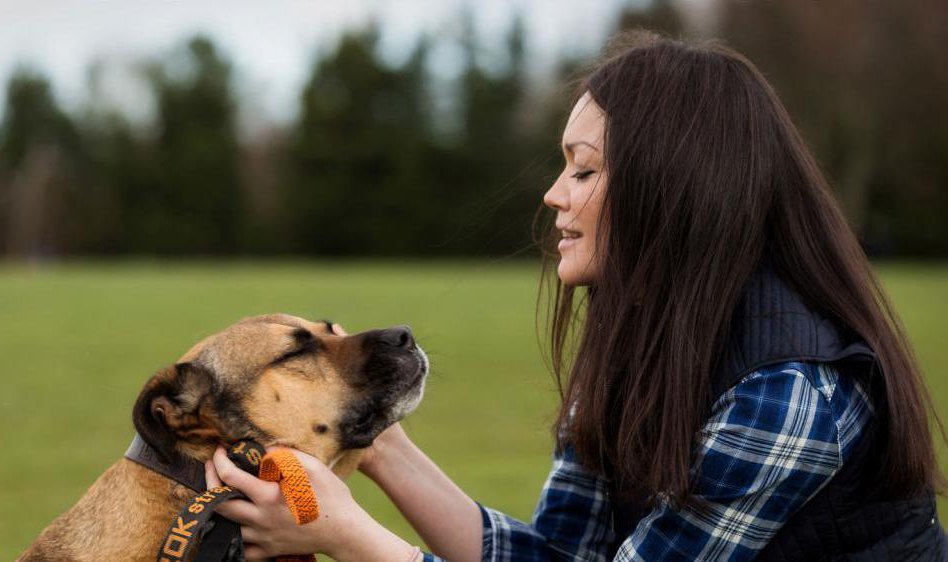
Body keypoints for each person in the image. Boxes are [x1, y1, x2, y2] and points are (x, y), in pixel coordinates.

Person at [205, 31, 948, 561]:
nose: (555, 194)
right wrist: (380, 443)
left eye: (585, 171)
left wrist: (350, 537)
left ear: (673, 188)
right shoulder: (640, 340)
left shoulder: (791, 390)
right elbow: (560, 554)